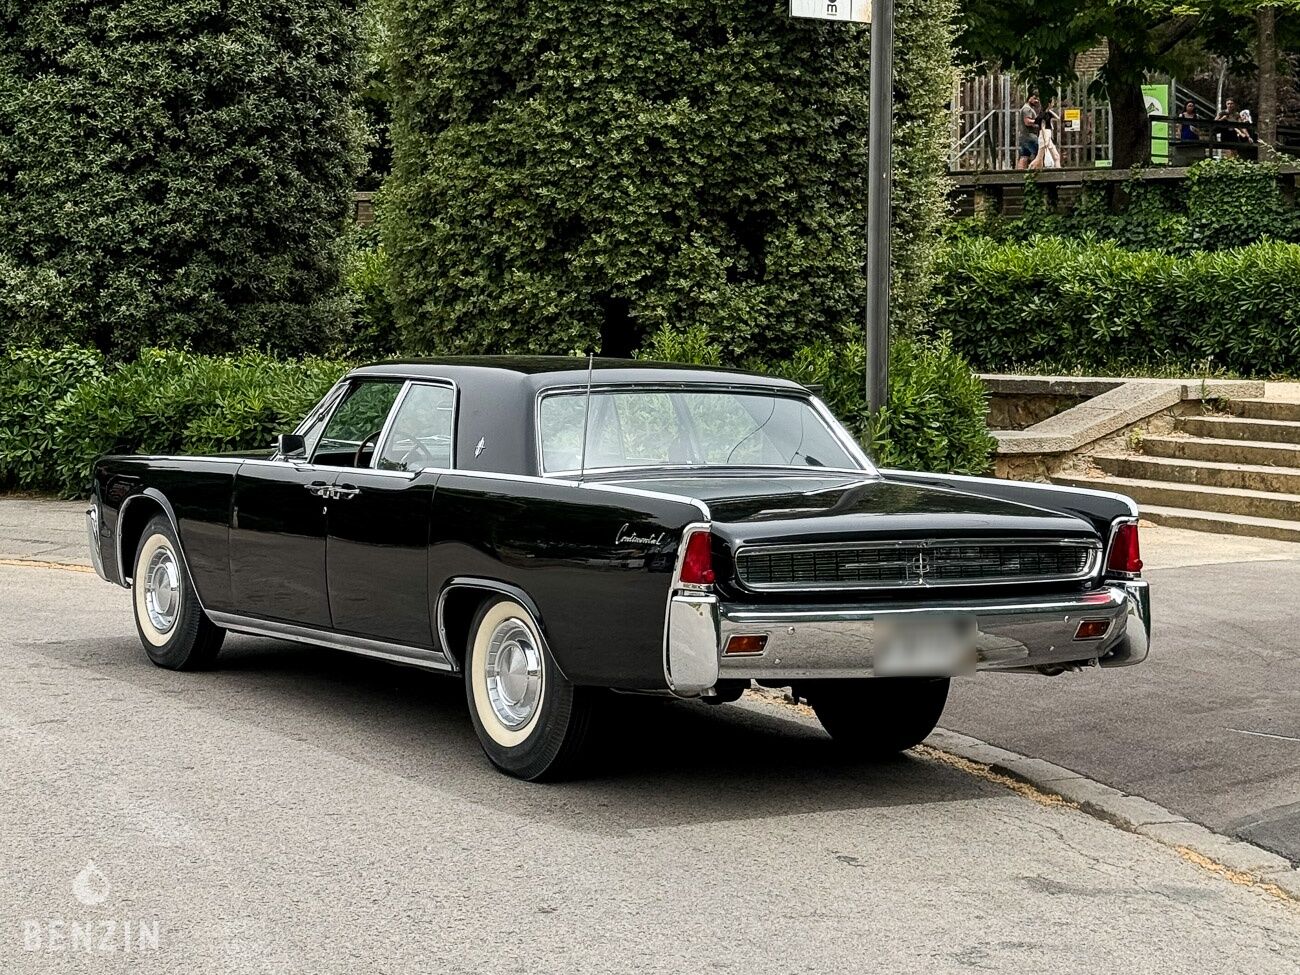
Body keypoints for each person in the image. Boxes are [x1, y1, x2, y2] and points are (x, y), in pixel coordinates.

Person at [1029, 102, 1061, 170]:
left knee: (1056, 156)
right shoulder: (1043, 115)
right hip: (1045, 135)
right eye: (1051, 103)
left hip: (1048, 134)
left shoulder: (1048, 113)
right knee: (1039, 158)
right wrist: (1046, 140)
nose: (1053, 104)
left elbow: (1058, 118)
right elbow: (1043, 127)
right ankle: (1029, 169)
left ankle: (1059, 171)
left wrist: (1050, 111)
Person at [1016, 93, 1041, 170]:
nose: (1036, 101)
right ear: (1029, 98)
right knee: (1038, 154)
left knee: (1024, 156)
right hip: (1030, 136)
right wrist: (1038, 121)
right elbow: (1027, 122)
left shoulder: (1025, 108)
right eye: (1034, 98)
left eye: (1037, 99)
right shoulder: (1027, 109)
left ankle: (1020, 173)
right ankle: (1035, 171)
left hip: (1023, 136)